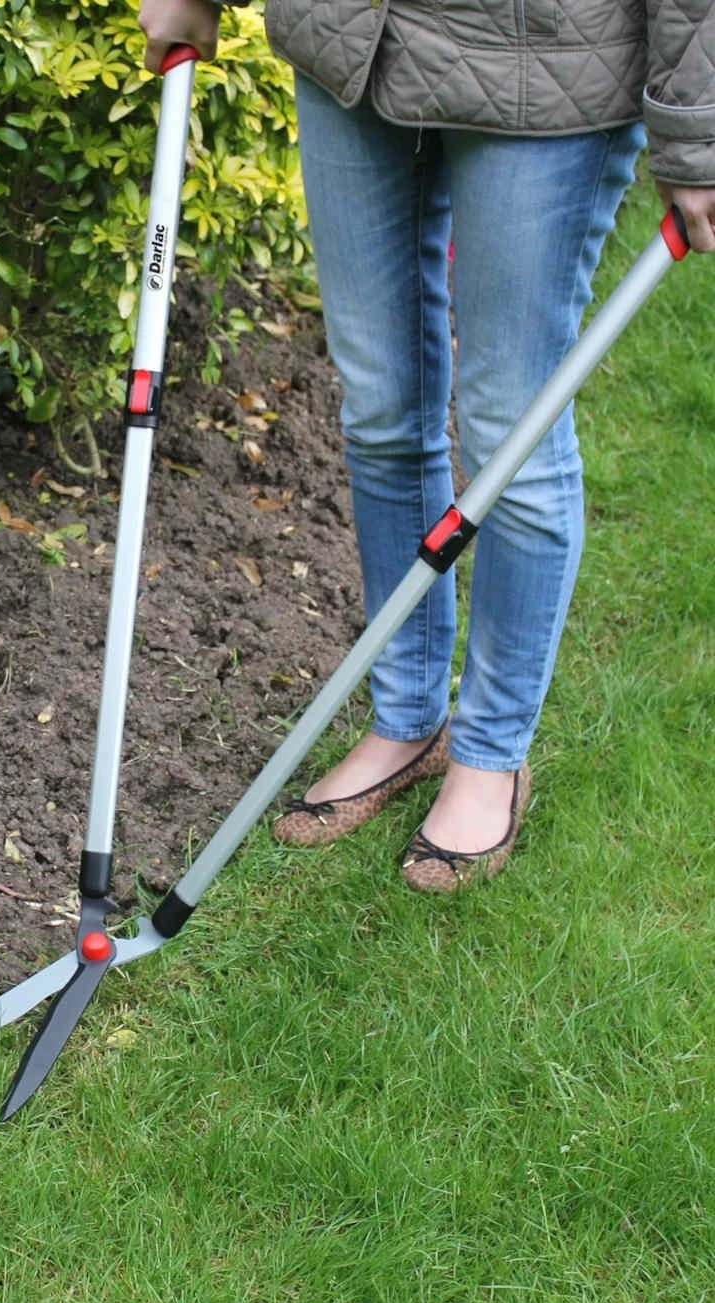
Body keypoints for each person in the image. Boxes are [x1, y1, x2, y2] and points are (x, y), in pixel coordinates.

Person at [139, 0, 715, 890]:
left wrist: (700, 131)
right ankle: (405, 719)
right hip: (351, 37)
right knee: (379, 405)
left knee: (510, 437)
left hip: (548, 63)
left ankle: (489, 755)